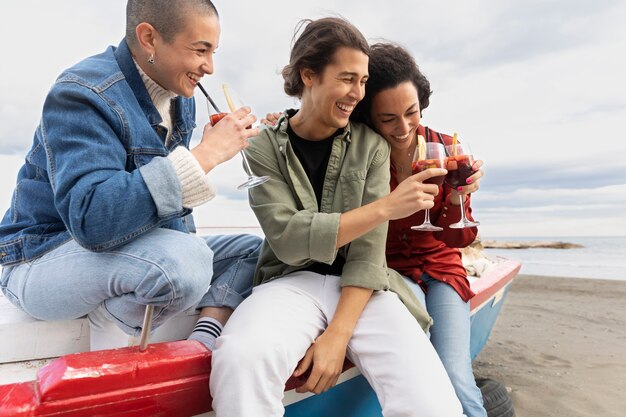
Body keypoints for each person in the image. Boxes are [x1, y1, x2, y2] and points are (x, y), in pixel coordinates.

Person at [210, 17, 466, 417]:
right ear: (308, 75)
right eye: (348, 78)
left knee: (434, 402)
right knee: (241, 358)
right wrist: (386, 207)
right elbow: (289, 240)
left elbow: (367, 254)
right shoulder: (262, 148)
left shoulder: (371, 146)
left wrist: (337, 335)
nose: (357, 93)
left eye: (363, 81)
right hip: (289, 282)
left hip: (364, 290)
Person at [0, 0, 261, 352]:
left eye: (213, 52)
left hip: (122, 256)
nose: (210, 67)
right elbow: (94, 221)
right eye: (200, 51)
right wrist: (203, 157)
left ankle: (203, 339)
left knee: (257, 252)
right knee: (187, 263)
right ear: (149, 38)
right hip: (42, 258)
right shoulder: (81, 93)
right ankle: (109, 327)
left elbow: (167, 217)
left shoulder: (180, 99)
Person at [350, 42, 486, 417]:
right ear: (370, 117)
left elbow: (458, 239)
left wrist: (458, 198)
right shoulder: (360, 154)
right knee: (419, 369)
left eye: (411, 112)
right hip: (388, 273)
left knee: (456, 376)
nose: (404, 127)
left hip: (441, 269)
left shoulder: (446, 149)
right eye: (388, 118)